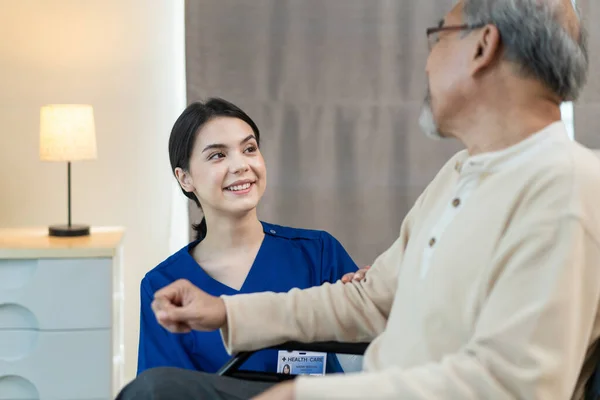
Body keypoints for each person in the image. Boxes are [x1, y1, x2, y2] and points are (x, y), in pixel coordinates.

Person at [118, 0, 600, 399]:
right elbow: (369, 299)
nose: (427, 62)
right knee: (155, 390)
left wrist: (298, 395)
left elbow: (509, 386)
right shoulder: (459, 175)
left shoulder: (564, 190)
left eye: (439, 37)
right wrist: (227, 313)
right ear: (186, 178)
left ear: (482, 45)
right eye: (217, 156)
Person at [137, 98, 366, 376]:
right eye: (218, 155)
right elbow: (166, 390)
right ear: (185, 178)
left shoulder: (318, 253)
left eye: (249, 149)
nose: (241, 165)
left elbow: (373, 351)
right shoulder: (163, 286)